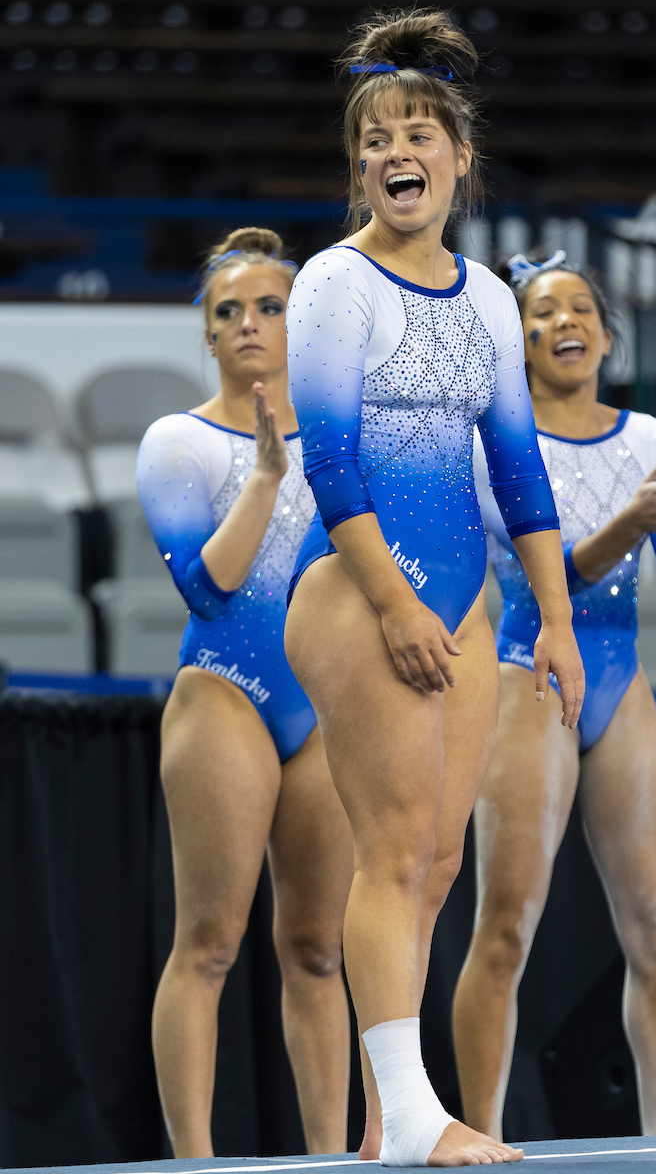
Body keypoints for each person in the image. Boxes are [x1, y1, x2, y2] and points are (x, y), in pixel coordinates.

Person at [283, 8, 584, 1169]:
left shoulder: (492, 299)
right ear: (358, 164)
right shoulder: (332, 283)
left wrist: (550, 617)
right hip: (360, 586)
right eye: (372, 138)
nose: (392, 152)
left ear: (457, 157)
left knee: (440, 859)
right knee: (397, 849)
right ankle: (415, 1119)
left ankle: (382, 1123)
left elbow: (515, 471)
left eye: (415, 132)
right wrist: (394, 602)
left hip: (467, 594)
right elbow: (331, 459)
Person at [452, 254, 656, 1139]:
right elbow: (542, 577)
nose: (561, 323)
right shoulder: (500, 443)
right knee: (506, 931)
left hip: (620, 671)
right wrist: (630, 524)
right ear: (516, 345)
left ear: (605, 330)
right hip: (533, 667)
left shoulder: (653, 438)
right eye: (538, 314)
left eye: (577, 309)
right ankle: (480, 1133)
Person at [138, 228, 354, 1158]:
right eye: (228, 312)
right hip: (224, 689)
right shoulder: (178, 440)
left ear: (299, 322)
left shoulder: (344, 438)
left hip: (323, 704)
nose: (250, 324)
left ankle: (336, 1152)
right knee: (211, 944)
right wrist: (266, 475)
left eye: (270, 306)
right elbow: (206, 586)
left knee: (317, 949)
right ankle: (195, 1158)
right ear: (209, 336)